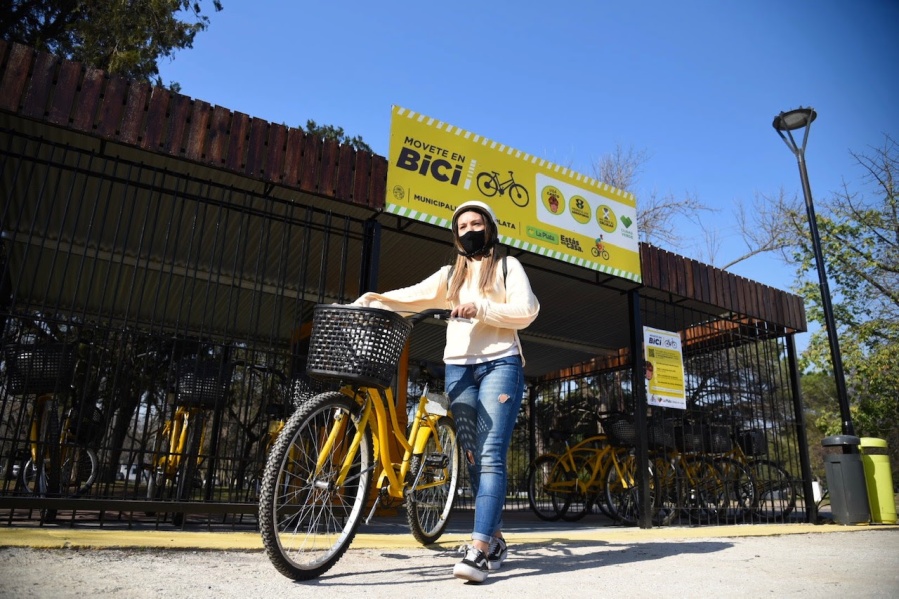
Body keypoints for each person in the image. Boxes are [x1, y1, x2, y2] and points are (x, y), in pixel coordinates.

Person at [352, 200, 540, 583]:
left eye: (476, 224)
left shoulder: (507, 267)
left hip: (500, 364)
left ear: (489, 229)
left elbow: (527, 310)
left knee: (490, 453)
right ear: (456, 236)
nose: (469, 231)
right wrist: (373, 299)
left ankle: (479, 548)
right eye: (462, 226)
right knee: (472, 456)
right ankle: (495, 539)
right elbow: (412, 296)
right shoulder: (449, 277)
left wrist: (481, 309)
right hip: (458, 368)